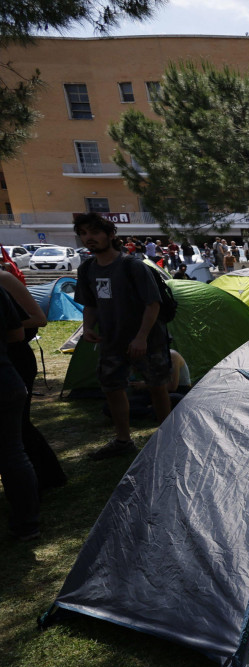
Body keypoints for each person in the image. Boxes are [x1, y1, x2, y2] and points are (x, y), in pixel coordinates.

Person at [72, 212, 172, 460]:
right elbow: (90, 304)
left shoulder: (132, 266)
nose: (89, 238)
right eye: (84, 234)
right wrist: (87, 328)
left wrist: (141, 338)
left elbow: (153, 304)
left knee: (157, 387)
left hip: (147, 340)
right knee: (112, 388)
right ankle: (123, 440)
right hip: (112, 340)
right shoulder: (87, 270)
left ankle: (168, 438)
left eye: (94, 232)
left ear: (110, 235)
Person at [0, 268, 65, 496]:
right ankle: (46, 477)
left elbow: (39, 319)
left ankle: (43, 479)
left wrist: (8, 324)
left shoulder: (4, 279)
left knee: (19, 424)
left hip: (15, 358)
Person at [0, 284, 40, 541]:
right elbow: (16, 334)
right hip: (6, 379)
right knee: (13, 453)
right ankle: (27, 525)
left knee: (13, 454)